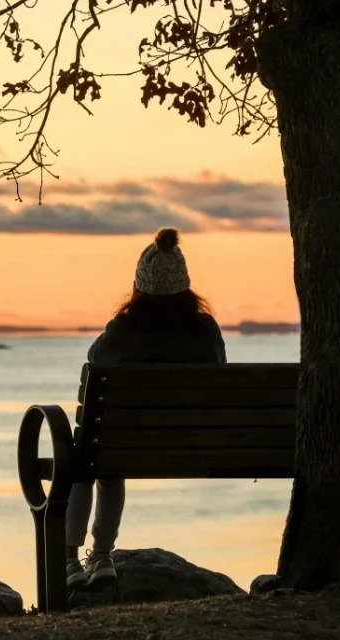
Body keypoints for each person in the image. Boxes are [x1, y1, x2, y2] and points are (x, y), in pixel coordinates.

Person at [64, 227, 227, 590]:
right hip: (202, 449)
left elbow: (95, 359)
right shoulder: (205, 330)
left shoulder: (124, 330)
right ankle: (102, 555)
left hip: (125, 448)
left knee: (93, 459)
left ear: (140, 286)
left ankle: (74, 559)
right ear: (185, 286)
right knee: (104, 457)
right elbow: (221, 372)